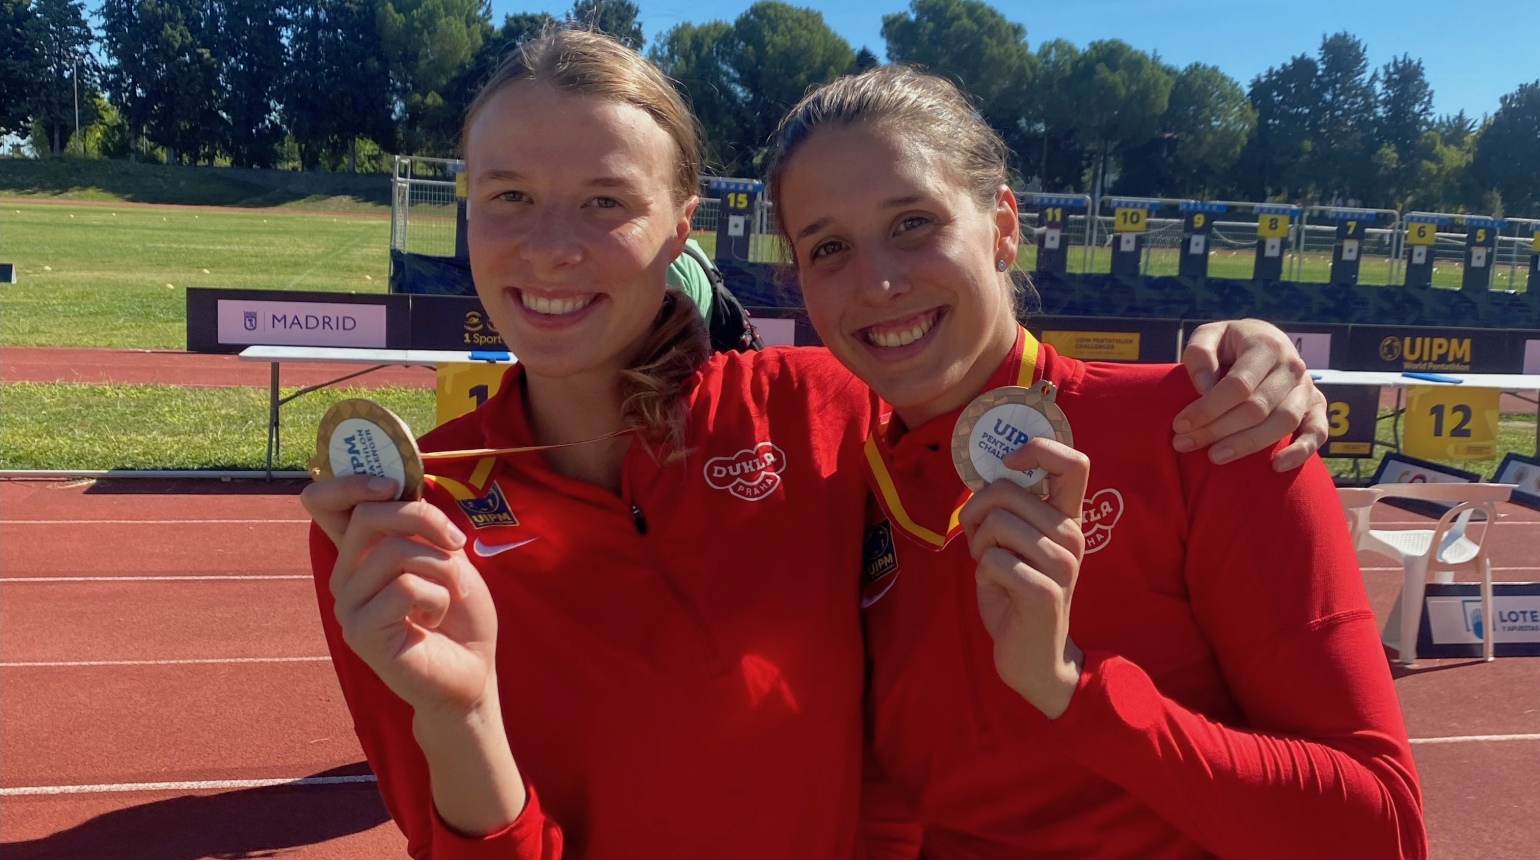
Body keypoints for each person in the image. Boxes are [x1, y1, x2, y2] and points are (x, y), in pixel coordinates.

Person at [302, 28, 1329, 859]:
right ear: (465, 213)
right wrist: (464, 713)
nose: (552, 244)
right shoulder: (402, 509)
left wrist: (1241, 354)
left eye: (606, 200)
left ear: (679, 232)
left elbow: (984, 372)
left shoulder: (823, 408)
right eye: (508, 196)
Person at [764, 65, 1425, 860]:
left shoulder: (1209, 428)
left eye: (912, 223)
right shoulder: (842, 494)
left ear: (1003, 225)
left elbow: (1378, 829)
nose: (876, 280)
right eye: (828, 246)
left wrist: (1072, 688)